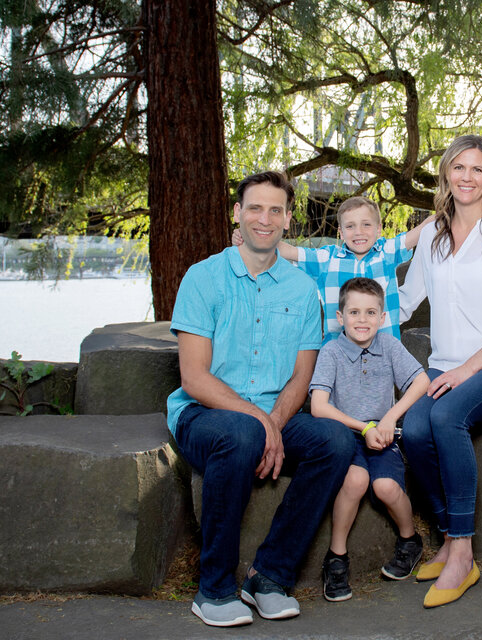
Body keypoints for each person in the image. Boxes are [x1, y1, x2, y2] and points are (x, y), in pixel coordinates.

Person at [166, 171, 353, 628]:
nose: (263, 219)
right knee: (241, 431)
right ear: (237, 213)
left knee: (336, 441)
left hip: (275, 414)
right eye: (254, 208)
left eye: (275, 210)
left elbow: (300, 377)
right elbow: (194, 377)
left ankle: (269, 576)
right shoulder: (202, 277)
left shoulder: (301, 290)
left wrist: (274, 420)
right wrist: (261, 422)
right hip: (204, 416)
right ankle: (213, 589)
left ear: (288, 219)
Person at [398, 134, 482, 608]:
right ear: (445, 174)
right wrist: (348, 312)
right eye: (459, 167)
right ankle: (448, 538)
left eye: (477, 169)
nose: (467, 177)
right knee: (412, 431)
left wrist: (465, 372)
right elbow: (403, 301)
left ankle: (463, 552)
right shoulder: (433, 233)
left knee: (444, 418)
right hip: (444, 365)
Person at [308, 277, 430, 602]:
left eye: (371, 313)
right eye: (355, 312)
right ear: (340, 317)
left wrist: (390, 418)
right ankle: (336, 558)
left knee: (386, 487)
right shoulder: (331, 351)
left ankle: (409, 540)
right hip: (346, 436)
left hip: (384, 435)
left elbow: (421, 382)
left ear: (382, 317)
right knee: (355, 480)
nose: (362, 320)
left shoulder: (389, 346)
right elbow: (318, 407)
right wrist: (362, 428)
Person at [233, 195, 433, 344]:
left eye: (366, 225)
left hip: (384, 349)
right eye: (351, 226)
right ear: (341, 232)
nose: (359, 232)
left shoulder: (386, 251)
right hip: (339, 352)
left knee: (382, 399)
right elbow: (290, 251)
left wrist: (451, 211)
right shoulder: (327, 258)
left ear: (379, 228)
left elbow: (423, 229)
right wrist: (250, 237)